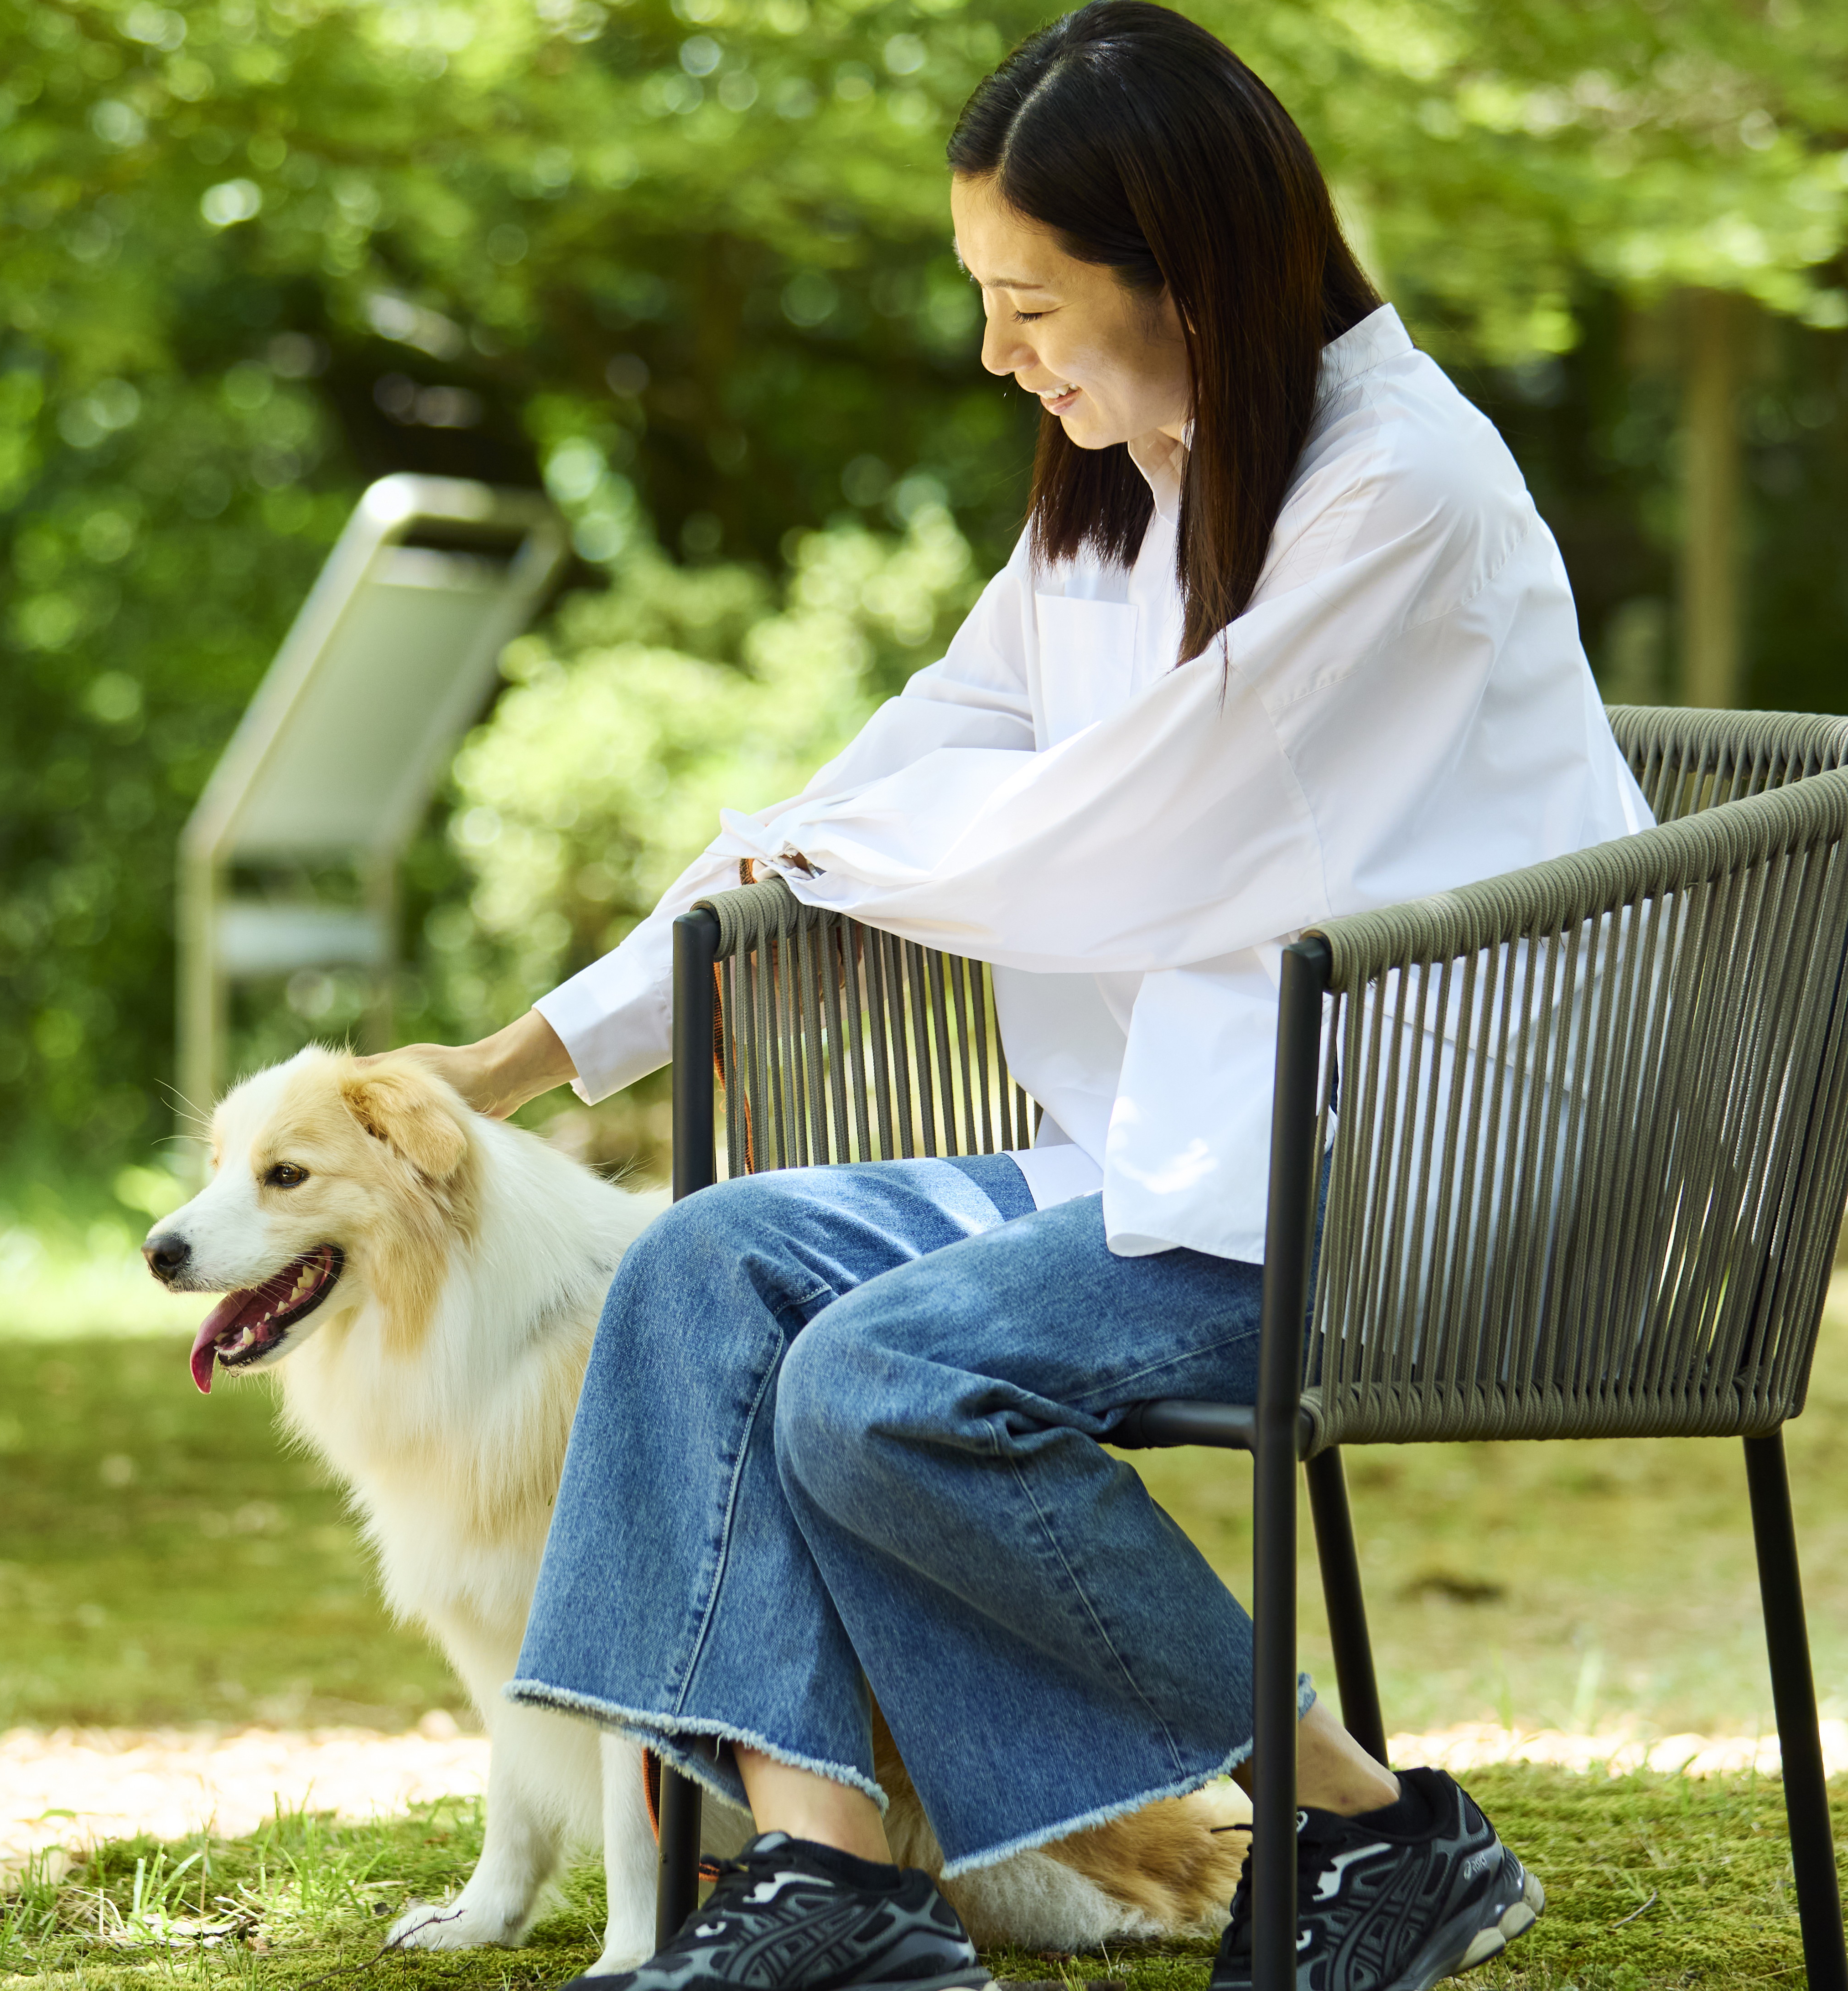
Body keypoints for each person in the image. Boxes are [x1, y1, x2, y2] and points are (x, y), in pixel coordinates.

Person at [373, 7, 1656, 1991]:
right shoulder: (1120, 486)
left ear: (1191, 272)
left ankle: (1373, 1825)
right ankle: (841, 1894)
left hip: (1397, 1170)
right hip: (1181, 1149)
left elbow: (1135, 820)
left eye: (1029, 299)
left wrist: (850, 855)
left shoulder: (1400, 492)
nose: (998, 352)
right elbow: (894, 766)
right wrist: (537, 1052)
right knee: (702, 1270)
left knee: (879, 1384)